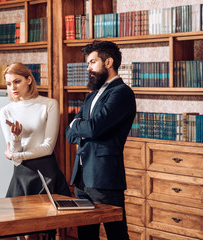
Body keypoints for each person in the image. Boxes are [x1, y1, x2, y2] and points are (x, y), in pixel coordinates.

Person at [66, 40, 136, 240]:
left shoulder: (122, 93)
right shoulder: (92, 95)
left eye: (92, 62)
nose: (88, 68)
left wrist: (78, 124)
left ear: (108, 62)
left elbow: (94, 128)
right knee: (86, 236)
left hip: (104, 177)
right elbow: (69, 133)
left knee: (117, 235)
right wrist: (79, 126)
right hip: (81, 179)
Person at [0, 62, 71, 240]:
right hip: (22, 174)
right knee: (23, 232)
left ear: (29, 80)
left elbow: (48, 147)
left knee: (49, 230)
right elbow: (14, 154)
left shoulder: (49, 104)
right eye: (9, 84)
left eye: (17, 81)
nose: (13, 87)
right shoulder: (6, 111)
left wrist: (17, 155)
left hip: (46, 172)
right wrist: (16, 138)